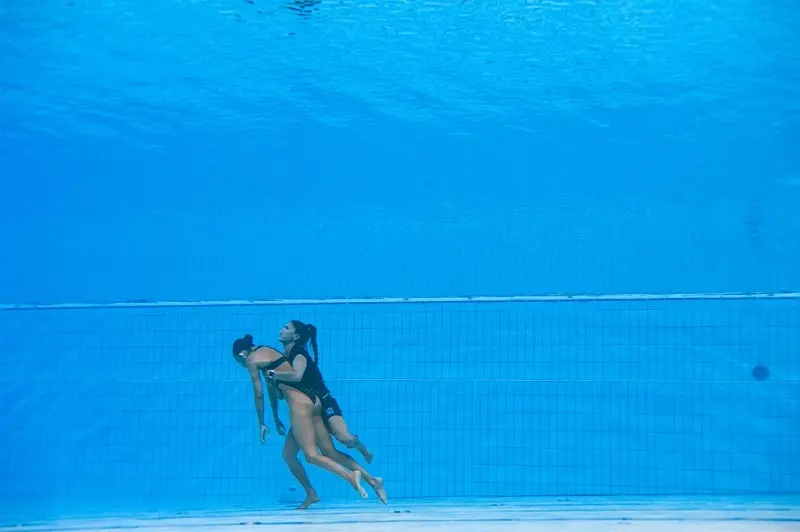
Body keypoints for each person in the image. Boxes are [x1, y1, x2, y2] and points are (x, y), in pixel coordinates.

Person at [231, 334, 368, 502]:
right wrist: (275, 417)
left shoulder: (252, 360)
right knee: (290, 454)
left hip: (300, 405)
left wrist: (261, 423)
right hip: (313, 400)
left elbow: (258, 394)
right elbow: (271, 391)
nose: (245, 366)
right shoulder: (268, 353)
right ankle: (311, 493)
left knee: (311, 455)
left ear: (241, 355)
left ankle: (350, 476)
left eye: (241, 363)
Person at [269, 321, 387, 506]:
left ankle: (362, 449)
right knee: (302, 454)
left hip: (323, 402)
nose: (281, 330)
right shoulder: (284, 357)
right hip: (307, 409)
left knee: (345, 439)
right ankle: (371, 481)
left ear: (296, 336)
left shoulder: (298, 353)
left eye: (286, 328)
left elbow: (297, 376)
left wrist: (272, 374)